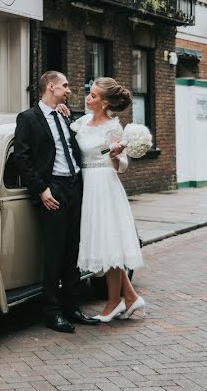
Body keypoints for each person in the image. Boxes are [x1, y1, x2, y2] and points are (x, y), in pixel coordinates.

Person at [14, 71, 99, 333]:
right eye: (64, 86)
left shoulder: (65, 114)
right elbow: (22, 158)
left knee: (73, 248)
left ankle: (72, 306)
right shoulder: (28, 119)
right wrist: (41, 190)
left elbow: (74, 148)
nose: (69, 90)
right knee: (55, 251)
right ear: (51, 87)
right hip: (53, 190)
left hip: (75, 186)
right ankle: (51, 311)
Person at [74, 77, 146, 322]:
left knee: (108, 241)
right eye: (89, 93)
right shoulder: (82, 122)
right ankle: (131, 298)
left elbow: (121, 166)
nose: (88, 98)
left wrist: (115, 155)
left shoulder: (113, 127)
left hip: (105, 184)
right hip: (87, 185)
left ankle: (116, 301)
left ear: (104, 103)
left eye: (93, 95)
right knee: (104, 243)